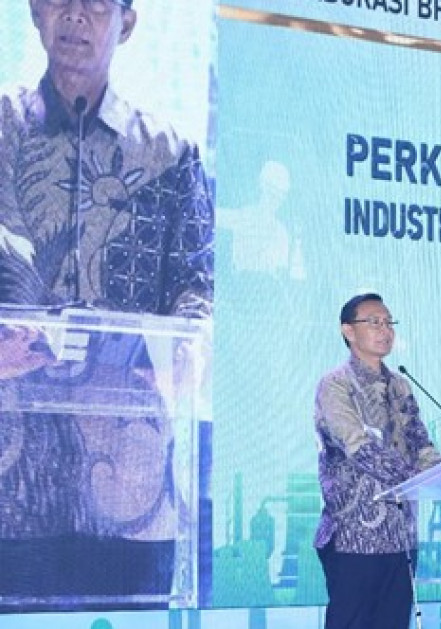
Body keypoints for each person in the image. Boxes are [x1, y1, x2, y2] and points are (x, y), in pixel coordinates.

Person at [0, 0, 213, 601]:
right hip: (14, 483)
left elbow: (196, 284)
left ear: (127, 23)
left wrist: (185, 357)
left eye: (95, 4)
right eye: (60, 1)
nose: (76, 16)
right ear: (35, 13)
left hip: (129, 479)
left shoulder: (169, 154)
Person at [314, 293, 441, 629]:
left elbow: (420, 443)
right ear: (348, 331)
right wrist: (415, 475)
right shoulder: (336, 385)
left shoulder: (400, 385)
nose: (385, 330)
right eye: (374, 322)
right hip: (353, 536)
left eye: (389, 323)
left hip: (401, 537)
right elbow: (358, 448)